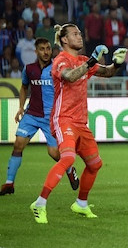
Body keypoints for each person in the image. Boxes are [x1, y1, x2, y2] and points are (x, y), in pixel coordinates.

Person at [30, 24, 127, 224]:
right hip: (63, 118)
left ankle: (81, 203)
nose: (80, 37)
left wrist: (117, 63)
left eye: (80, 33)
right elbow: (69, 76)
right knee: (67, 159)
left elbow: (107, 72)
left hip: (81, 122)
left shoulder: (83, 60)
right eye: (75, 34)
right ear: (64, 40)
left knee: (95, 164)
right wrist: (92, 60)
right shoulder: (60, 60)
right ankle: (39, 203)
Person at [1, 38, 79, 196]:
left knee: (54, 153)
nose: (46, 52)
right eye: (42, 49)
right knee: (18, 144)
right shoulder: (29, 69)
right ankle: (9, 183)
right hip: (31, 114)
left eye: (48, 48)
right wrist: (21, 107)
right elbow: (24, 87)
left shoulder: (57, 68)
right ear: (35, 52)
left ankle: (70, 169)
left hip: (51, 117)